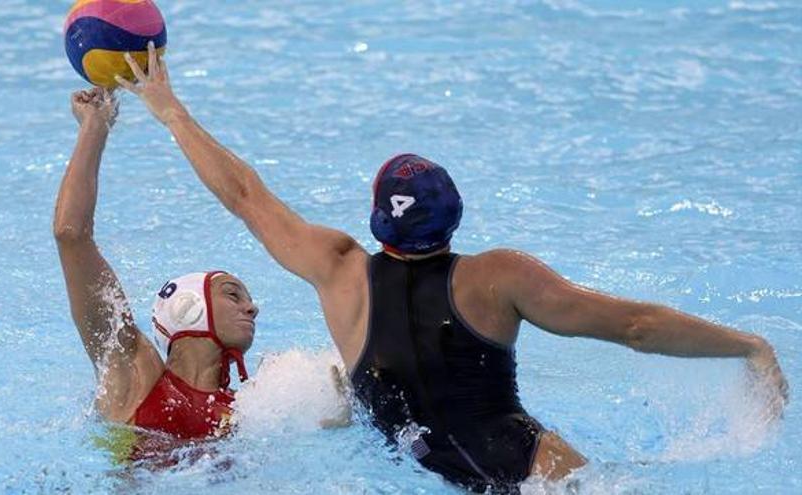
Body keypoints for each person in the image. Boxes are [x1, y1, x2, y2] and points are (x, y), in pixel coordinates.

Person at [116, 43, 788, 493]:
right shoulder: (497, 279)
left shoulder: (341, 272)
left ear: (379, 221)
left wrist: (169, 109)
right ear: (455, 215)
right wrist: (749, 344)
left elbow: (245, 195)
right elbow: (637, 327)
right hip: (541, 476)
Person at [53, 86, 259, 444]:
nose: (252, 307)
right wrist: (94, 126)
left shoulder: (251, 408)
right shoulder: (134, 373)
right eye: (233, 295)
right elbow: (71, 235)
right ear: (189, 306)